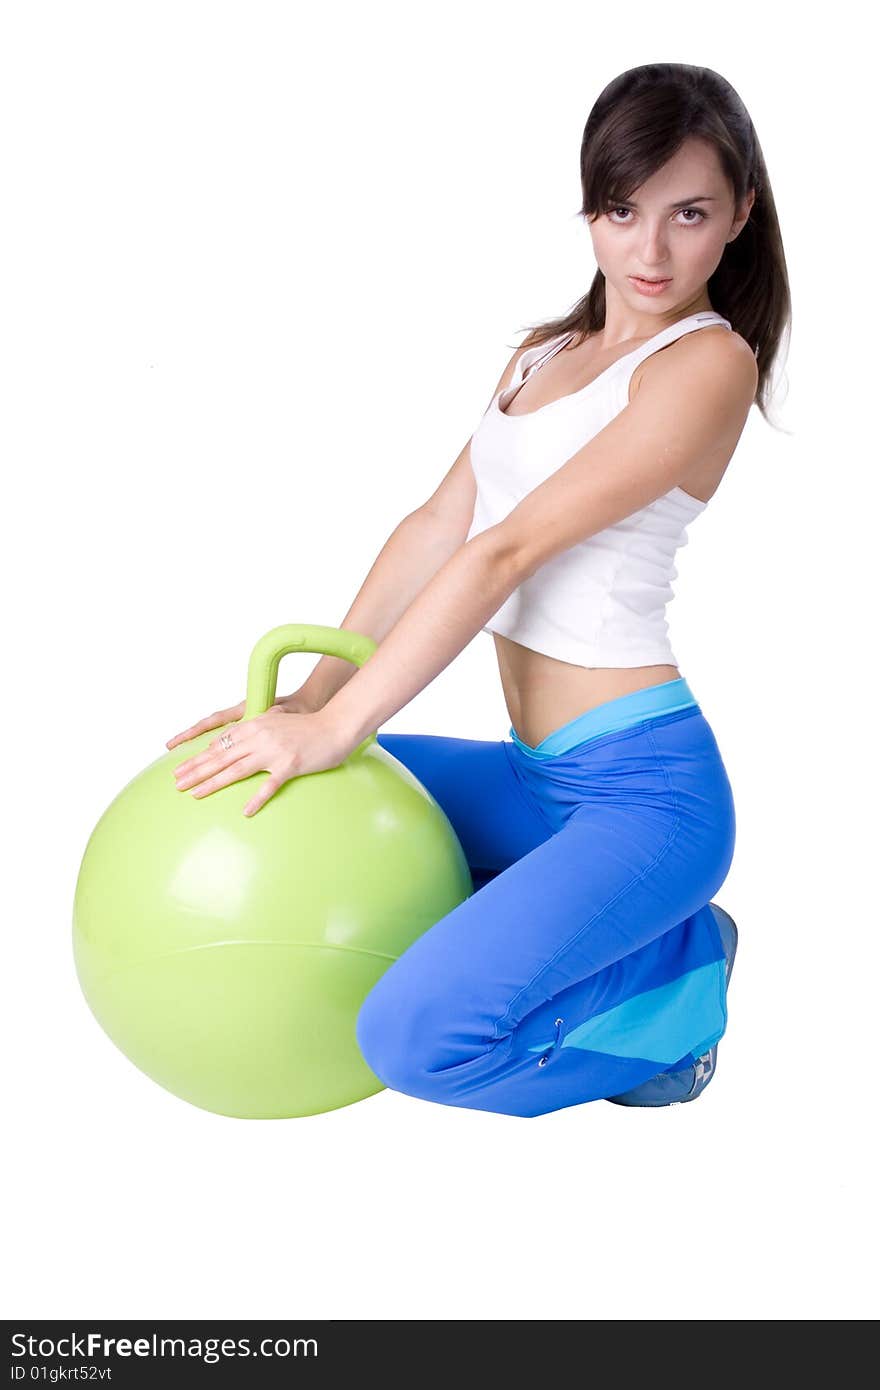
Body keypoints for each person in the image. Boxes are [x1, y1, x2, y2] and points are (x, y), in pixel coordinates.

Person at [167, 62, 791, 1118]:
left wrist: (343, 724)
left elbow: (502, 553)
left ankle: (673, 1006)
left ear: (738, 214)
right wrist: (313, 702)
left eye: (688, 214)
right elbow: (435, 526)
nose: (650, 249)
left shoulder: (707, 363)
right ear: (588, 210)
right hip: (534, 777)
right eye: (621, 210)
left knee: (417, 1040)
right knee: (269, 791)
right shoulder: (541, 355)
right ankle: (636, 928)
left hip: (646, 796)